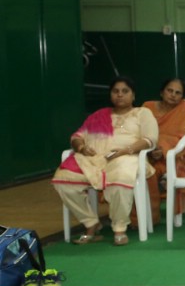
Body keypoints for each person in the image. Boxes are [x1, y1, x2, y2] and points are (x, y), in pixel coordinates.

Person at [52, 76, 158, 246]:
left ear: (133, 95)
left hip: (127, 157)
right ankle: (91, 223)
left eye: (125, 91)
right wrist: (81, 148)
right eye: (116, 91)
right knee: (63, 179)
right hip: (93, 160)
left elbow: (150, 139)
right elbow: (77, 136)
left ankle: (119, 228)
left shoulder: (142, 113)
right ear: (110, 95)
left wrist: (125, 150)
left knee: (121, 177)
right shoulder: (98, 115)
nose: (120, 95)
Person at [142, 78, 185, 226]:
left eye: (178, 93)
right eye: (170, 90)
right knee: (144, 171)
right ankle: (146, 217)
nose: (173, 95)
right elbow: (139, 134)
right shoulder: (147, 108)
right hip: (148, 155)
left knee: (173, 163)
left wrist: (163, 147)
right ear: (162, 92)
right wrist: (152, 150)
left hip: (177, 157)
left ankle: (166, 178)